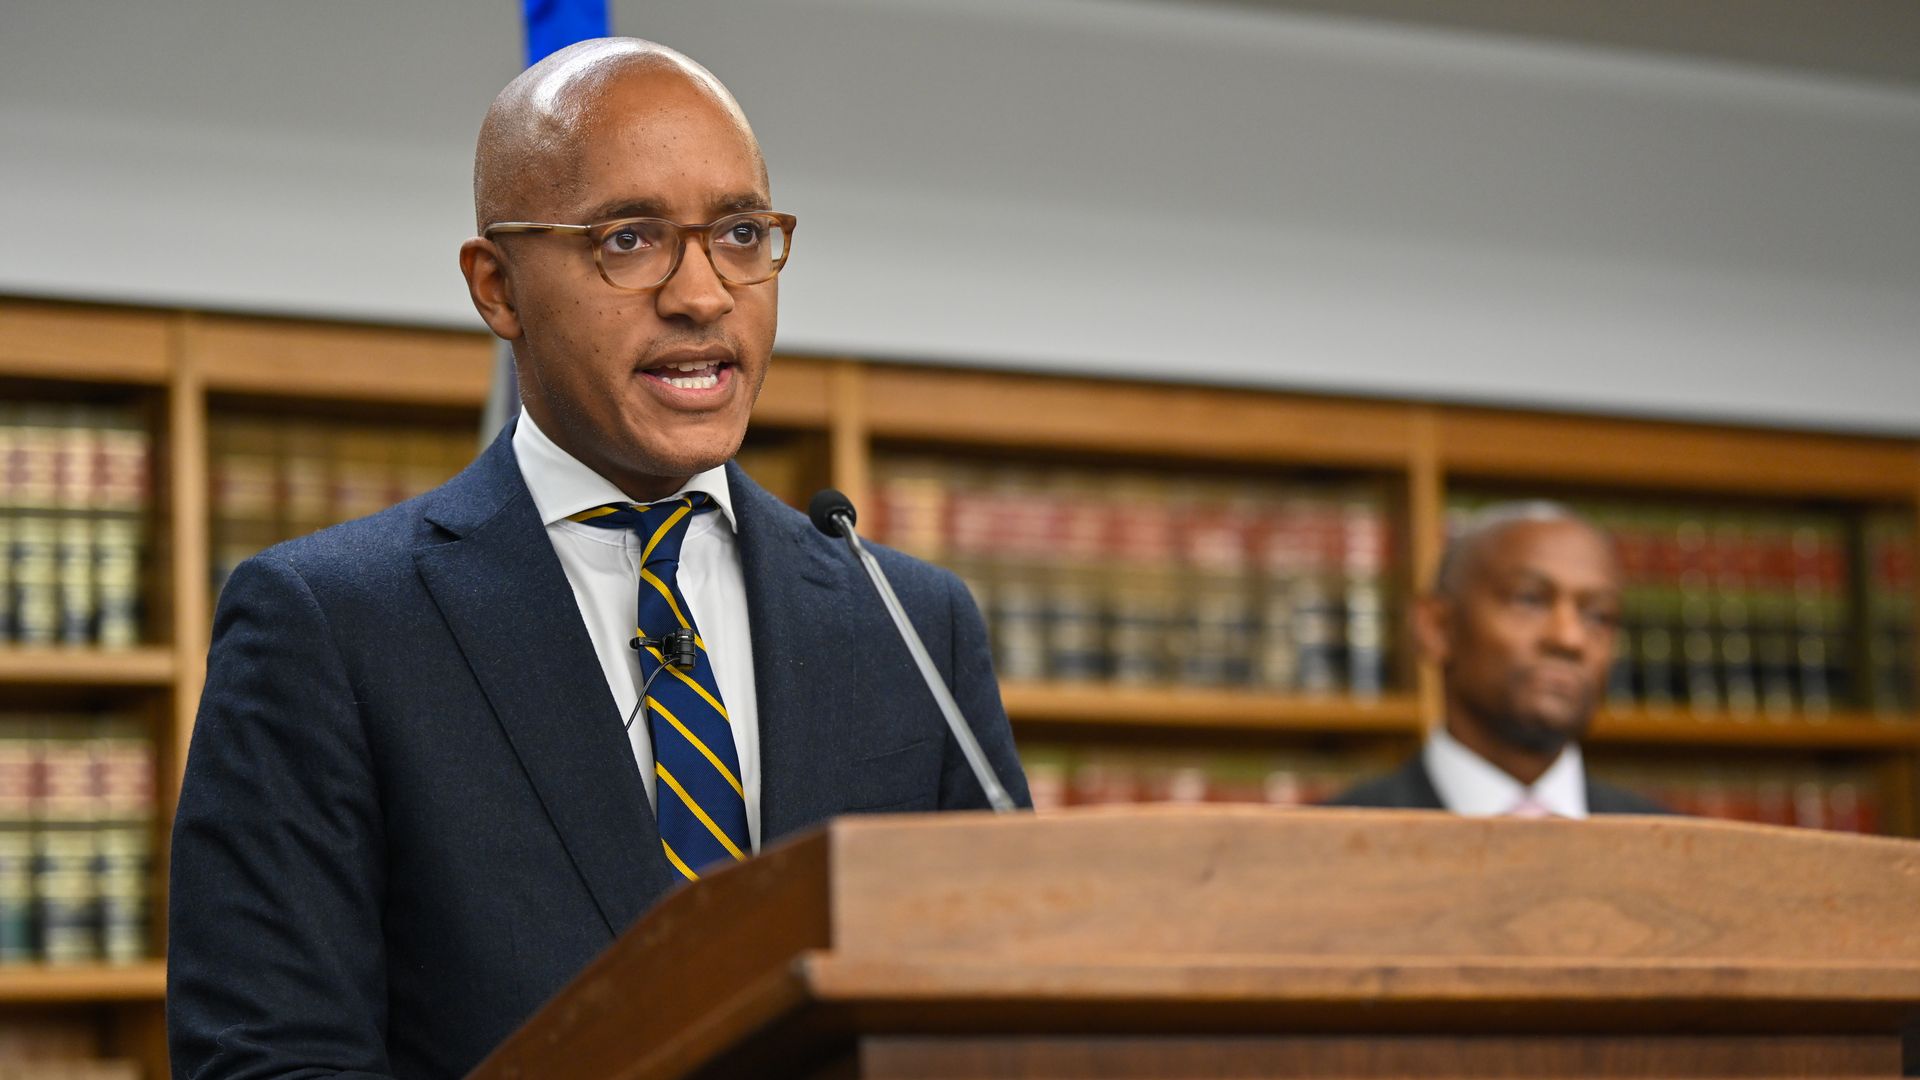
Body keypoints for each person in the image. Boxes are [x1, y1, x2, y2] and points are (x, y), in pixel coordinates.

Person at [167, 38, 1029, 1080]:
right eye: (630, 240)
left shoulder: (910, 622)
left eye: (742, 234)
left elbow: (1009, 1014)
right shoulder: (329, 625)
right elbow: (270, 1060)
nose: (702, 294)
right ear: (498, 287)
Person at [1328, 502, 1665, 817]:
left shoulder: (1678, 850)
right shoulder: (1329, 846)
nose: (1569, 638)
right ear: (1437, 628)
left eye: (1598, 616)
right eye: (1529, 600)